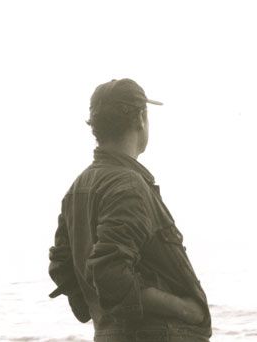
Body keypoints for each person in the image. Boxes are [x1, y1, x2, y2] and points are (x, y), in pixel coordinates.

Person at [48, 78, 211, 341]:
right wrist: (187, 309)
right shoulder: (128, 185)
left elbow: (61, 266)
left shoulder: (77, 188)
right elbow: (109, 273)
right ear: (141, 119)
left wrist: (100, 312)